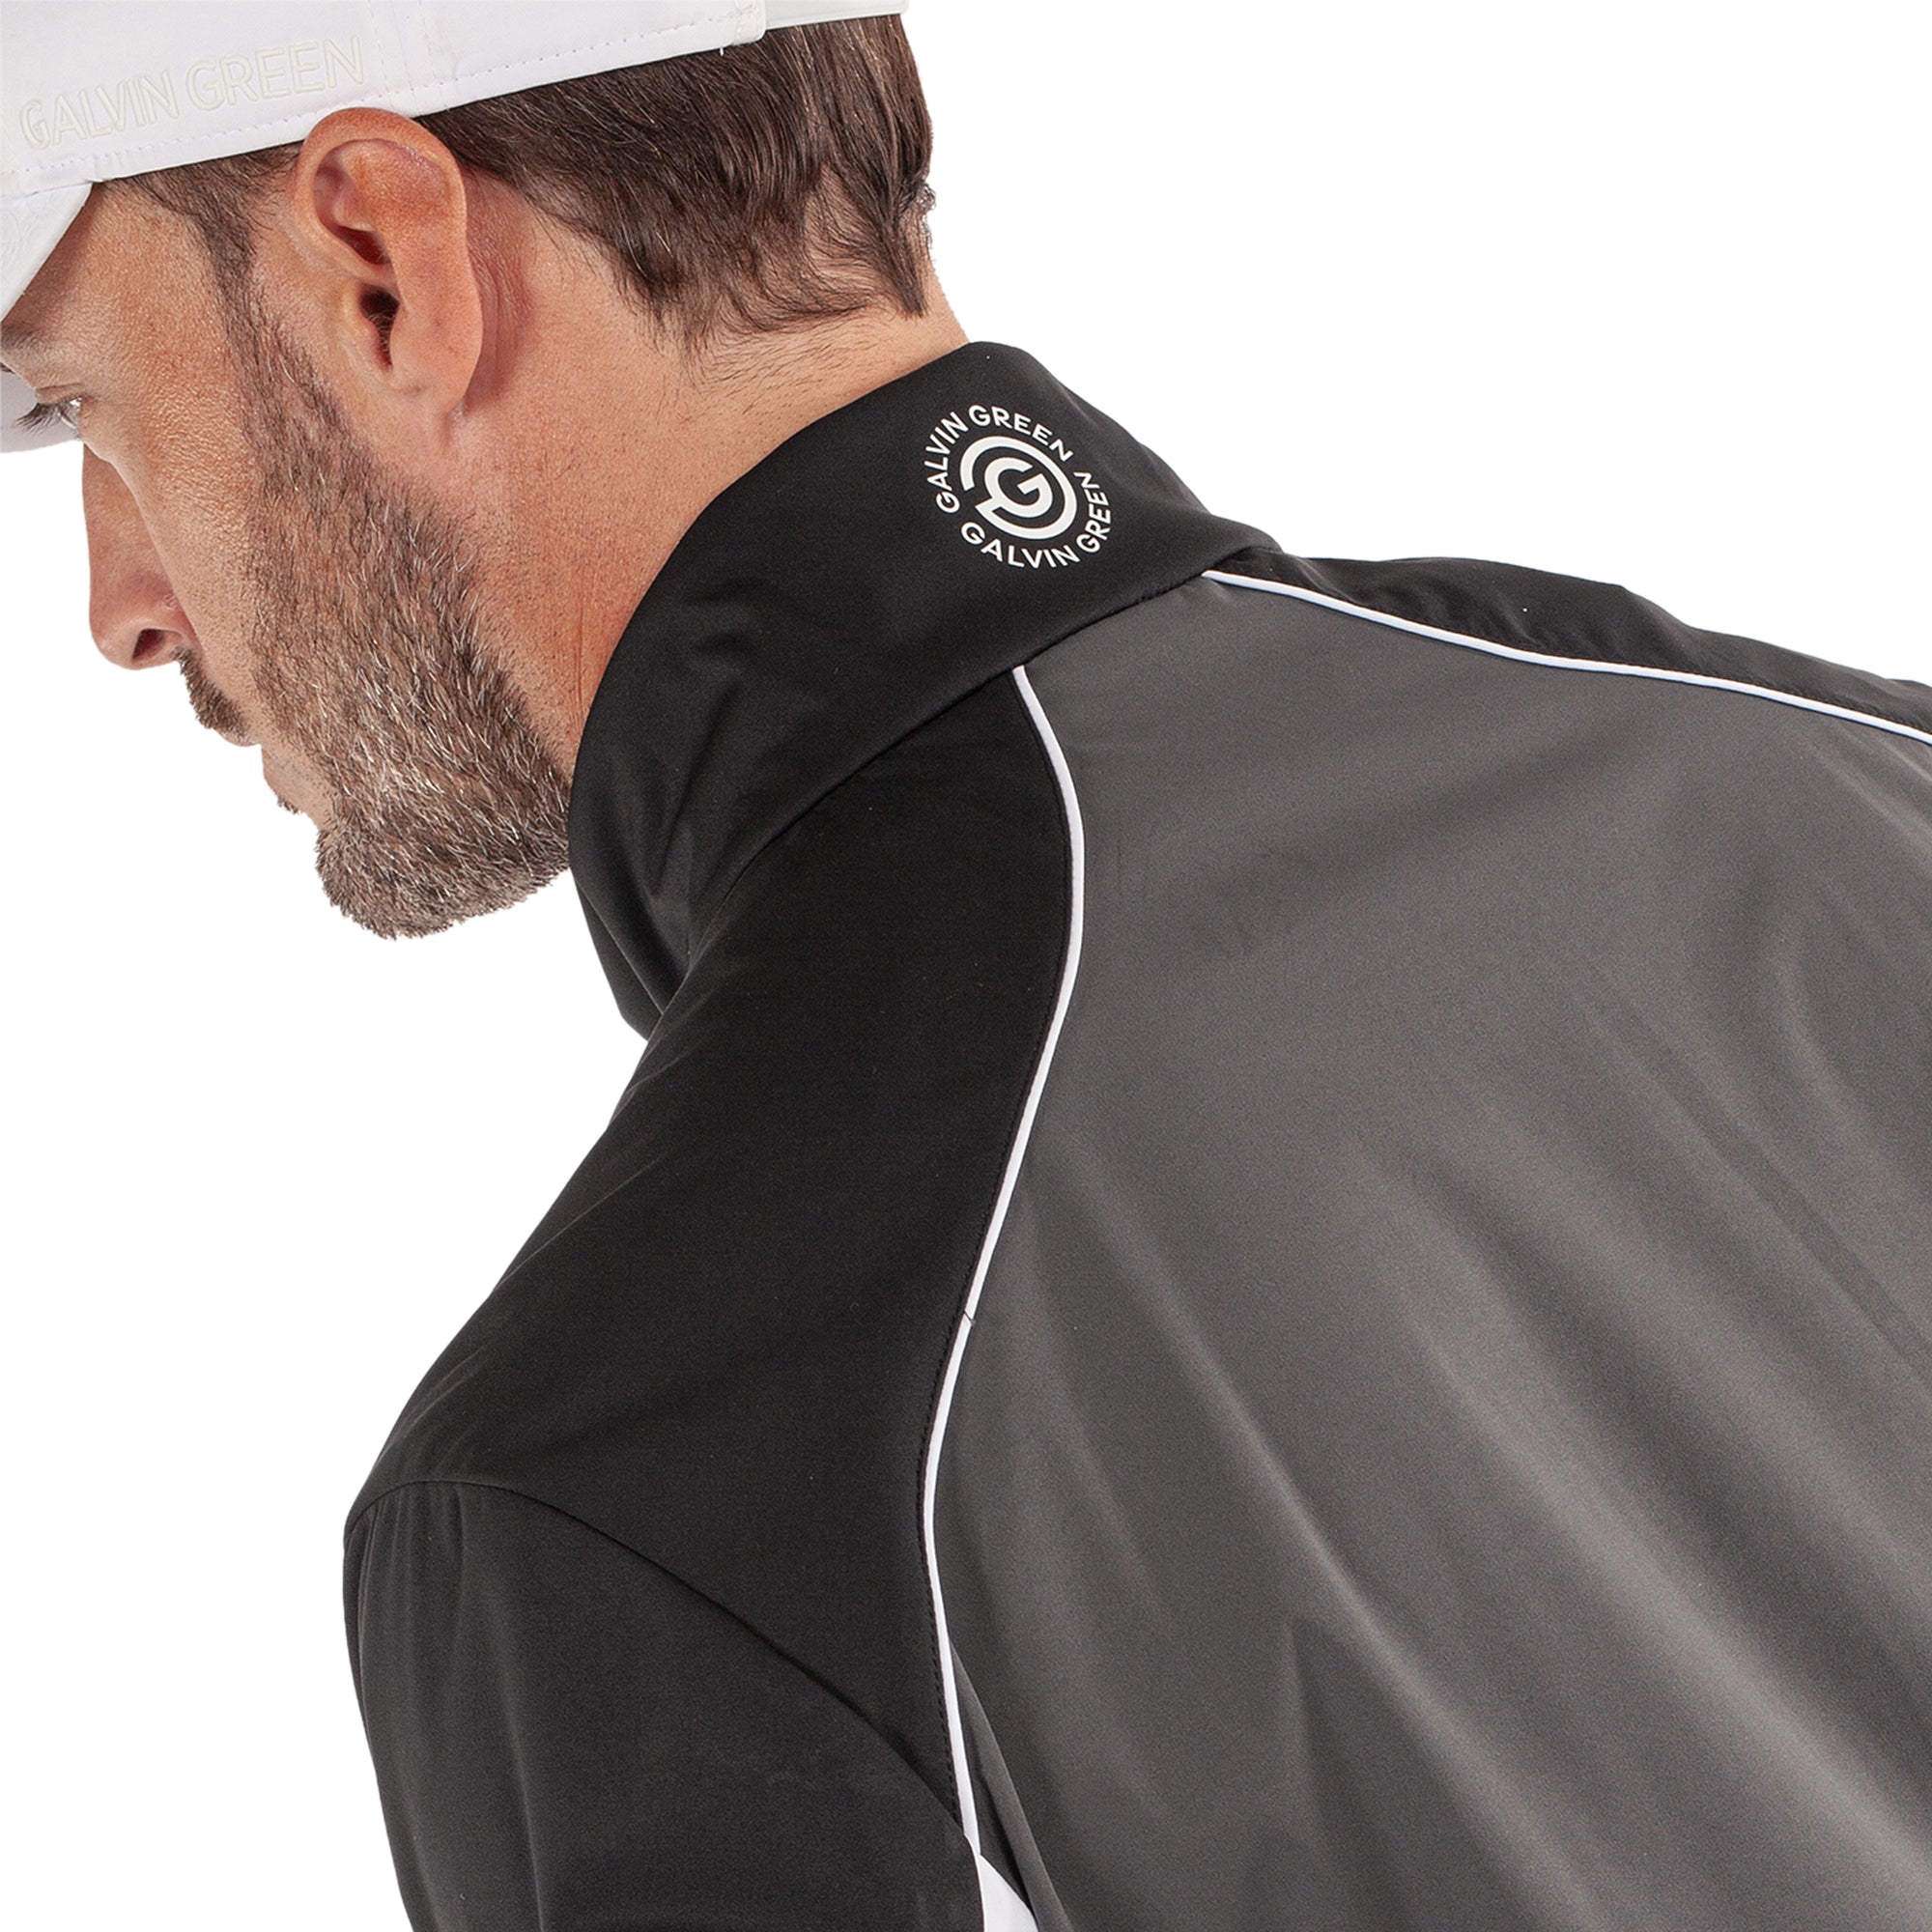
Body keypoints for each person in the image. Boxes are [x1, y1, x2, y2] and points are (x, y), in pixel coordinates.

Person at [5, 5, 1929, 1929]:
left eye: (88, 406)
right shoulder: (1860, 782)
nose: (120, 609)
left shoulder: (626, 1491)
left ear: (381, 263)